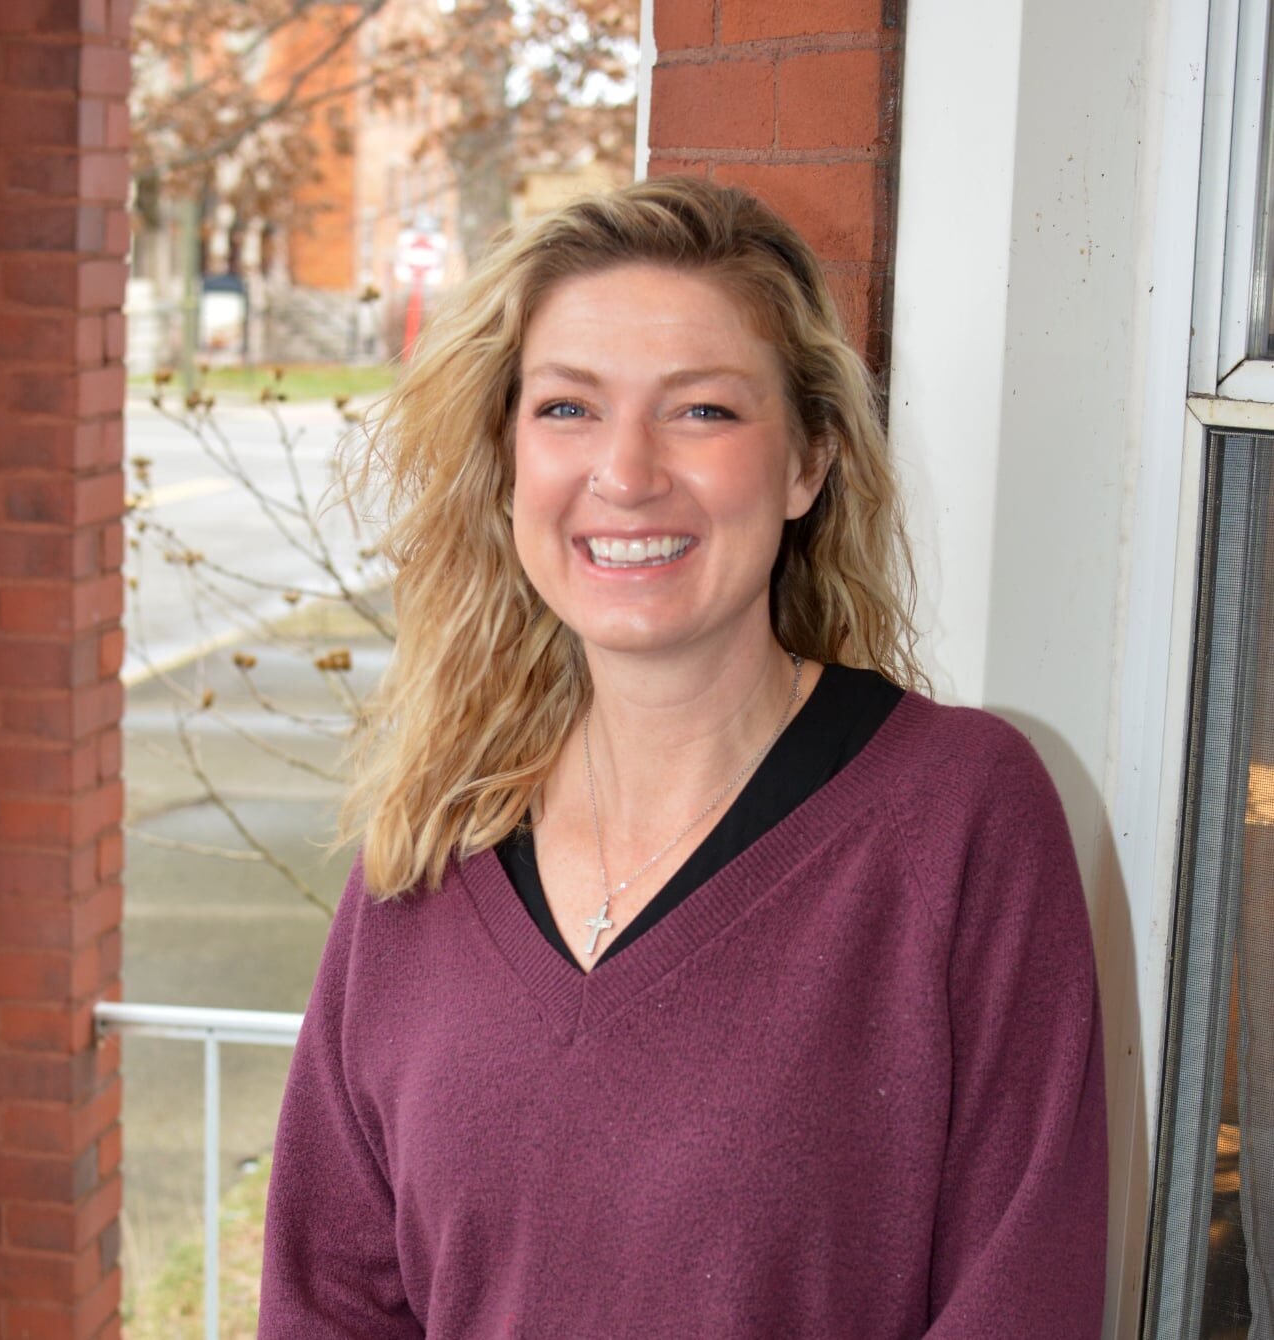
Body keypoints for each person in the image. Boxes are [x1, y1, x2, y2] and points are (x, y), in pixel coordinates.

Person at [257, 177, 1108, 1339]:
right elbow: (327, 1304)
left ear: (810, 461)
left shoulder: (959, 817)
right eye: (567, 409)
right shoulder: (423, 859)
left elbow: (1024, 1295)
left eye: (702, 411)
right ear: (507, 465)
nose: (627, 470)